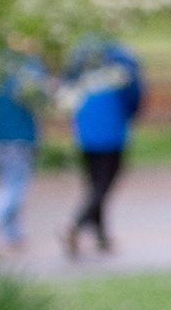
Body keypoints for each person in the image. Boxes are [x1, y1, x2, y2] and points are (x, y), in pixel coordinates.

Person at [61, 37, 146, 258]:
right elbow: (135, 99)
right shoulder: (122, 71)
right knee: (104, 184)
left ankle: (101, 236)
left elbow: (68, 100)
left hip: (85, 135)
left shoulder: (81, 71)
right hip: (111, 134)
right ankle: (76, 224)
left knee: (95, 185)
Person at [0, 51, 45, 259]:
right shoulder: (28, 66)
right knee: (15, 187)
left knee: (7, 183)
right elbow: (40, 97)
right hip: (18, 134)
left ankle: (13, 235)